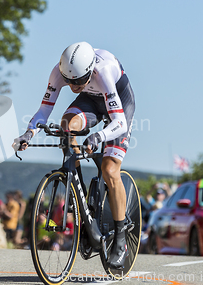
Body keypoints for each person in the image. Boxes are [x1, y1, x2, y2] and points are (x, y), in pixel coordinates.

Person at [12, 42, 135, 269]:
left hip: (118, 102)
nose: (72, 86)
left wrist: (98, 137)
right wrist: (28, 133)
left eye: (78, 81)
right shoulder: (59, 73)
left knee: (109, 169)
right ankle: (76, 185)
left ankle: (120, 238)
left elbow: (119, 122)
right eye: (69, 81)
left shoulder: (104, 71)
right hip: (91, 99)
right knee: (66, 125)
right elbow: (44, 110)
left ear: (89, 71)